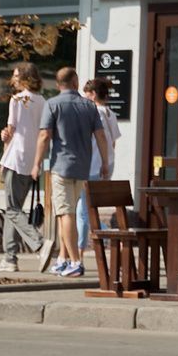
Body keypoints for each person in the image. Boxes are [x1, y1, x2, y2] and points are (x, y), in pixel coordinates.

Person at [33, 65, 109, 280]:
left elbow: (44, 136)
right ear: (76, 82)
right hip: (82, 168)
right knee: (64, 213)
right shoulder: (88, 106)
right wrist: (104, 163)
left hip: (61, 168)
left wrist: (36, 164)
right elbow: (101, 136)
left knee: (66, 214)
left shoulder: (52, 104)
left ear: (58, 85)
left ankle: (75, 262)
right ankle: (62, 259)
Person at [0, 62, 48, 276]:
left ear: (25, 78)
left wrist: (3, 156)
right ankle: (9, 258)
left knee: (12, 210)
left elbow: (11, 130)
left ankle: (40, 244)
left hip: (15, 159)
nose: (13, 79)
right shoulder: (43, 101)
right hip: (31, 161)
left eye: (16, 75)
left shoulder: (17, 100)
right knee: (13, 209)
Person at [77, 76, 121, 250]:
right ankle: (79, 251)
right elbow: (113, 142)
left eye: (86, 94)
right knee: (83, 210)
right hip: (107, 164)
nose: (83, 97)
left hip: (93, 166)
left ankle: (107, 236)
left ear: (93, 95)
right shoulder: (111, 114)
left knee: (85, 211)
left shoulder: (93, 113)